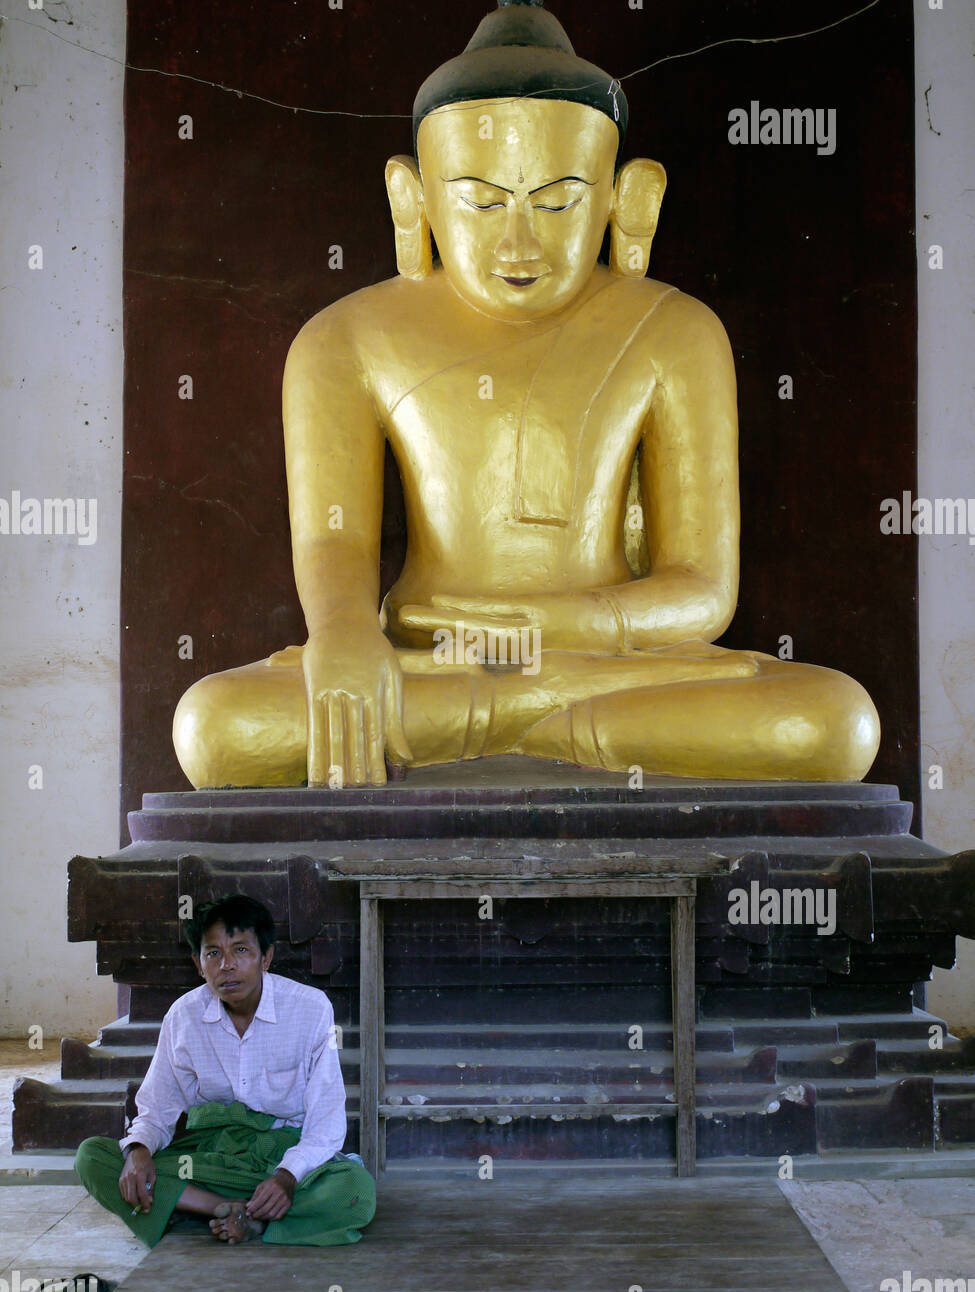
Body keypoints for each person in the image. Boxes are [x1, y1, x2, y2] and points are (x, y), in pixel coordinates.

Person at [172, 0, 880, 790]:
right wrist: (342, 637)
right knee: (217, 724)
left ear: (627, 199)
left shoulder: (674, 332)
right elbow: (334, 544)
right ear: (413, 200)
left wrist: (543, 633)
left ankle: (519, 737)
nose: (518, 243)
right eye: (480, 201)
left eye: (555, 201)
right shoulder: (345, 339)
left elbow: (704, 591)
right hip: (430, 659)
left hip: (603, 662)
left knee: (832, 719)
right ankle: (573, 738)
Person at [74, 895, 375, 1247]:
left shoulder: (310, 1009)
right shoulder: (183, 1016)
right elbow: (158, 1107)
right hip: (209, 1157)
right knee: (94, 1158)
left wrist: (287, 1177)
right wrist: (138, 1150)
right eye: (213, 953)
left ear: (266, 957)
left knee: (354, 1192)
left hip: (278, 1156)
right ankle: (229, 1210)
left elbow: (325, 1118)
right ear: (198, 964)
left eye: (241, 951)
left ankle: (209, 1210)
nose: (227, 966)